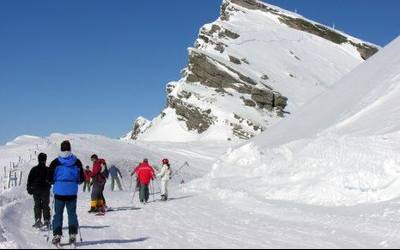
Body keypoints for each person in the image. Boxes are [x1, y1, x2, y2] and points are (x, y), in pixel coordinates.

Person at [47, 141, 84, 246]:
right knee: (72, 214)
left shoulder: (55, 162)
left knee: (58, 214)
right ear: (70, 149)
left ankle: (57, 235)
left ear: (61, 149)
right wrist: (75, 181)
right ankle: (72, 234)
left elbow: (49, 178)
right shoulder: (76, 162)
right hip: (72, 192)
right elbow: (81, 178)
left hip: (59, 192)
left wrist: (54, 181)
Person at [27, 153, 51, 228]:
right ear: (45, 160)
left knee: (37, 205)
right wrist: (49, 185)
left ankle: (38, 220)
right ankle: (46, 220)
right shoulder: (47, 169)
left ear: (38, 159)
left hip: (35, 190)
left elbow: (29, 180)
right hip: (45, 190)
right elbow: (51, 180)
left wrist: (29, 188)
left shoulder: (34, 169)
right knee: (45, 205)